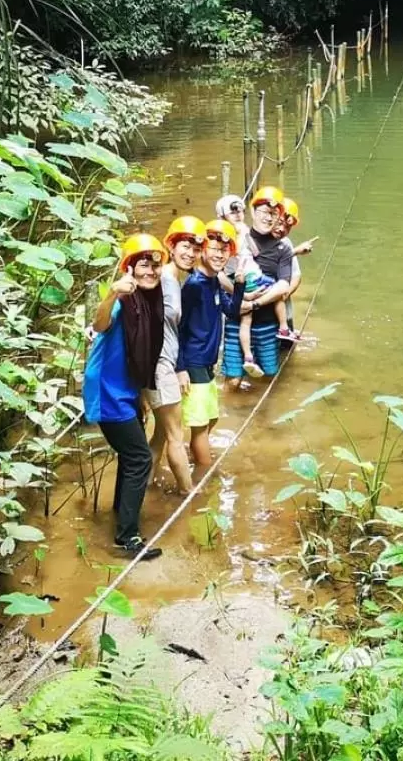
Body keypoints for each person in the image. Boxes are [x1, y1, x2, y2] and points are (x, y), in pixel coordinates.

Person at [82, 233, 169, 560]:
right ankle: (127, 537)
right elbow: (100, 324)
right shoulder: (122, 299)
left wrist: (140, 397)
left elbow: (140, 354)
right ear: (129, 268)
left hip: (126, 390)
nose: (150, 272)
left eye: (155, 265)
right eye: (143, 265)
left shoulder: (149, 299)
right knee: (140, 457)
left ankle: (121, 511)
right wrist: (111, 295)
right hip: (106, 391)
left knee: (131, 455)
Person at [176, 219, 246, 479]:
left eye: (224, 251)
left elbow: (231, 310)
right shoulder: (194, 285)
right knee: (200, 425)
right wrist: (180, 367)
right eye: (213, 249)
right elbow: (178, 329)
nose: (219, 255)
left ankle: (195, 456)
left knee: (211, 418)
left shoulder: (214, 280)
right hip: (193, 361)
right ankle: (205, 477)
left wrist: (239, 285)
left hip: (207, 361)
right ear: (202, 250)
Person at [148, 216, 205, 494]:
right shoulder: (158, 278)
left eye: (195, 249)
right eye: (185, 246)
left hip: (164, 365)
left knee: (161, 433)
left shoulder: (174, 280)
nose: (190, 254)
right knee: (175, 434)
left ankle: (144, 483)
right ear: (171, 246)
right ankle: (188, 494)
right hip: (158, 366)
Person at [220, 186, 293, 387]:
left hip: (268, 323)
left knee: (268, 377)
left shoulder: (283, 247)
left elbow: (284, 285)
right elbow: (215, 271)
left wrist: (254, 303)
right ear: (252, 212)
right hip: (236, 320)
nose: (269, 218)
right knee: (233, 381)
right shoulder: (235, 239)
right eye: (264, 212)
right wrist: (239, 296)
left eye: (274, 213)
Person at [274, 196, 317, 339]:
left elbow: (296, 276)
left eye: (288, 227)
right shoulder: (256, 240)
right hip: (260, 307)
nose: (282, 229)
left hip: (283, 307)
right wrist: (295, 252)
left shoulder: (286, 242)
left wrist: (285, 295)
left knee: (287, 346)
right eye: (280, 223)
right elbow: (263, 264)